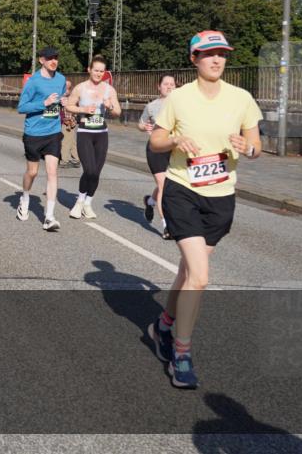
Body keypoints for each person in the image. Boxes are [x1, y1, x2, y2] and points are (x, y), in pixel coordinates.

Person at [147, 31, 262, 390]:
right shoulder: (179, 98)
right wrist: (175, 139)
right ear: (194, 58)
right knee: (199, 276)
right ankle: (181, 355)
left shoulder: (241, 98)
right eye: (209, 54)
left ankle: (163, 325)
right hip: (183, 192)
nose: (217, 60)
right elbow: (155, 140)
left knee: (187, 271)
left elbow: (257, 144)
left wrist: (250, 148)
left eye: (222, 54)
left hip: (222, 197)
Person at [15, 46, 67, 231]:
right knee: (33, 172)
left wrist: (63, 104)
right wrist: (43, 103)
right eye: (50, 58)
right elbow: (21, 107)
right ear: (41, 60)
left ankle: (49, 217)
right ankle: (25, 197)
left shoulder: (61, 79)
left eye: (56, 58)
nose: (54, 61)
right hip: (34, 133)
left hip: (53, 132)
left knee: (52, 172)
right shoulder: (33, 82)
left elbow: (61, 100)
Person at [65, 55, 122, 220]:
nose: (98, 74)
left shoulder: (109, 90)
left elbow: (117, 112)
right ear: (89, 70)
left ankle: (88, 204)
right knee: (88, 170)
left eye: (102, 71)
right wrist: (83, 109)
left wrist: (110, 106)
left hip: (101, 134)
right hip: (85, 132)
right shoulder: (80, 88)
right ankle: (79, 201)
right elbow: (69, 105)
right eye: (96, 70)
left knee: (96, 172)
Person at [139, 74, 177, 239]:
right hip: (155, 149)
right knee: (164, 187)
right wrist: (145, 127)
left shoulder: (181, 105)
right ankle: (166, 226)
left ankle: (150, 202)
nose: (169, 87)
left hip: (174, 149)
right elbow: (141, 123)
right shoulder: (152, 106)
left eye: (172, 84)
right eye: (165, 84)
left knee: (168, 183)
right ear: (159, 87)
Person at [59, 79, 80, 167]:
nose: (65, 90)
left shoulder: (67, 99)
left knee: (65, 142)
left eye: (67, 88)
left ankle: (65, 161)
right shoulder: (71, 98)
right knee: (71, 141)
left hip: (67, 123)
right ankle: (75, 159)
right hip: (70, 122)